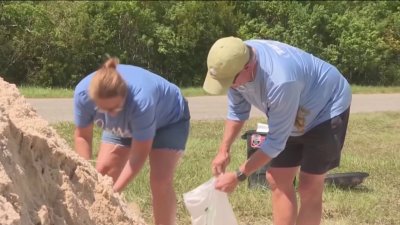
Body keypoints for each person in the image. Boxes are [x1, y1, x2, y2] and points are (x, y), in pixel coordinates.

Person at [203, 37, 351, 225]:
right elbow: (237, 111)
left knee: (309, 186)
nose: (229, 87)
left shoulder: (280, 80)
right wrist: (223, 150)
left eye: (230, 82)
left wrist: (238, 175)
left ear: (247, 68)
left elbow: (275, 143)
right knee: (277, 178)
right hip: (293, 104)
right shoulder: (235, 58)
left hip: (327, 106)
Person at [73, 57, 190, 225]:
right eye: (103, 109)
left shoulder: (142, 100)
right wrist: (85, 175)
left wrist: (111, 194)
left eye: (115, 108)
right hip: (130, 122)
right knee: (103, 173)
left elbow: (138, 156)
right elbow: (82, 136)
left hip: (169, 120)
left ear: (124, 96)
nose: (110, 115)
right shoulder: (82, 94)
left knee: (160, 181)